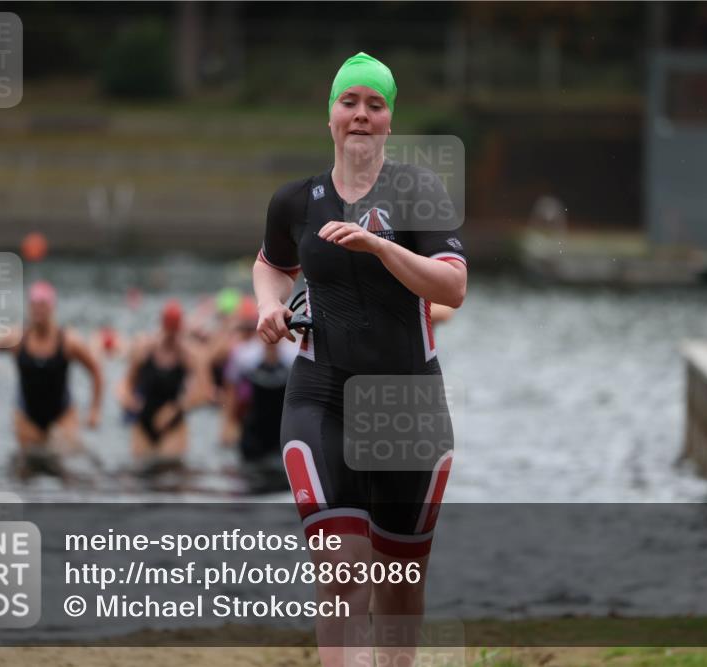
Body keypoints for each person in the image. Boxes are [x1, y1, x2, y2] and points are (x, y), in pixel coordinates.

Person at [253, 52, 467, 667]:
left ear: (389, 120)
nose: (361, 116)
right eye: (350, 103)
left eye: (375, 105)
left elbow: (452, 287)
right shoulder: (296, 201)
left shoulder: (420, 191)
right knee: (342, 572)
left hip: (408, 407)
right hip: (322, 397)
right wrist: (269, 307)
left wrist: (378, 245)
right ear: (331, 116)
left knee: (400, 585)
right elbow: (271, 265)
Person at [0, 281, 103, 476]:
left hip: (62, 414)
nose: (38, 310)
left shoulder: (68, 341)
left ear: (52, 308)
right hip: (27, 416)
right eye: (34, 305)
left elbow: (95, 371)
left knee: (67, 464)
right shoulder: (17, 338)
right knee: (27, 469)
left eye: (43, 305)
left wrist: (95, 410)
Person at [119, 299, 211, 469]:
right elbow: (125, 383)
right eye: (169, 327)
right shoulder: (145, 349)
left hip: (174, 424)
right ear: (162, 325)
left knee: (170, 472)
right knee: (139, 472)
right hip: (143, 421)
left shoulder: (190, 355)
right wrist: (129, 400)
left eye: (175, 329)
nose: (171, 334)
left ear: (180, 328)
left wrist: (176, 408)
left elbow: (205, 392)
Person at [220, 298, 297, 491]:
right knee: (250, 480)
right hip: (254, 428)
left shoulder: (293, 354)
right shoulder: (244, 355)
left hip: (281, 428)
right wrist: (229, 424)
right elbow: (232, 389)